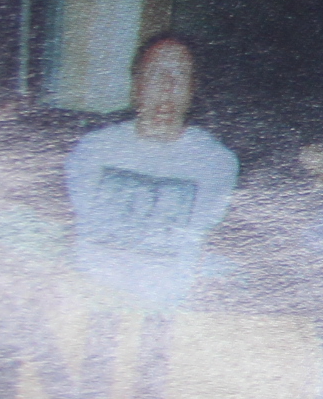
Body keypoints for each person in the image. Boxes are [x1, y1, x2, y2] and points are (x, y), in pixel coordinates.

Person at [64, 31, 242, 306]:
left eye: (180, 75)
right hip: (89, 297)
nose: (167, 87)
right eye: (155, 74)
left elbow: (209, 241)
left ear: (193, 88)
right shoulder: (94, 149)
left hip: (169, 306)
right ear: (136, 84)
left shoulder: (216, 162)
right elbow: (70, 229)